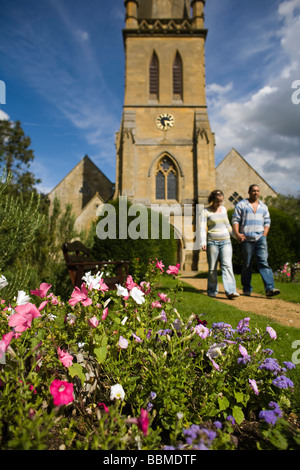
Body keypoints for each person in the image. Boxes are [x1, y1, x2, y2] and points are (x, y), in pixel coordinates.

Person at [232, 184, 280, 297]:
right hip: (246, 238)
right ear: (249, 192)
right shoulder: (241, 205)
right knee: (247, 264)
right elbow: (235, 220)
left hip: (260, 238)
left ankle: (270, 288)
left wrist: (264, 235)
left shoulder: (263, 207)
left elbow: (267, 222)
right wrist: (238, 234)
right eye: (253, 191)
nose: (256, 193)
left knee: (263, 262)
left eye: (257, 191)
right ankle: (246, 288)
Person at [200, 189, 239, 299]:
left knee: (227, 265)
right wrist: (203, 242)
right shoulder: (205, 211)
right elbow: (202, 228)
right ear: (212, 200)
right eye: (218, 201)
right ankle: (212, 291)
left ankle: (231, 291)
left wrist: (237, 236)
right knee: (212, 268)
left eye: (221, 201)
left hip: (226, 241)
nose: (220, 203)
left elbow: (228, 226)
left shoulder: (223, 210)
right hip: (212, 242)